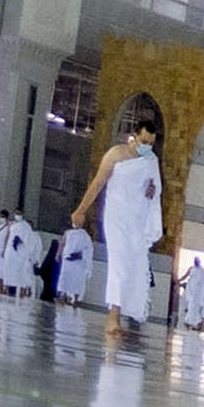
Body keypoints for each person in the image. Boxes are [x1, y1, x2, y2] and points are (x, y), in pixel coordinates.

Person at [68, 98, 168, 348]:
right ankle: (113, 317)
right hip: (116, 219)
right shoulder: (115, 155)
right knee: (119, 264)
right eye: (144, 141)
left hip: (137, 220)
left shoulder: (150, 161)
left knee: (134, 266)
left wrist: (152, 190)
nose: (147, 147)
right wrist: (81, 210)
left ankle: (123, 313)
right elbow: (98, 183)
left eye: (151, 143)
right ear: (134, 136)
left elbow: (154, 189)